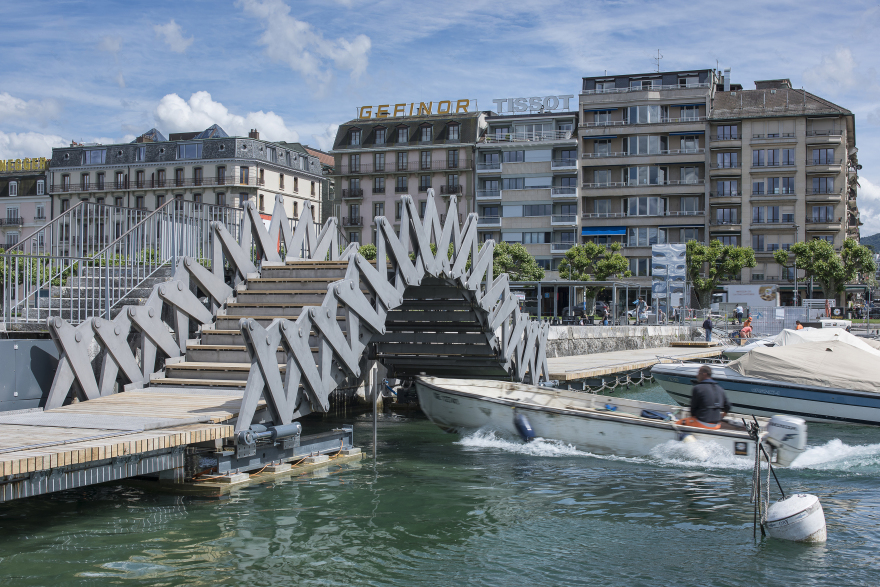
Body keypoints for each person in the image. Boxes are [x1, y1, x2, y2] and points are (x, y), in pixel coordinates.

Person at [677, 365, 731, 430]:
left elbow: (693, 411)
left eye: (699, 373)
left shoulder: (698, 388)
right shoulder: (720, 389)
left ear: (704, 374)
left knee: (678, 423)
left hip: (702, 424)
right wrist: (721, 416)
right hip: (717, 425)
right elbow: (728, 406)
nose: (697, 376)